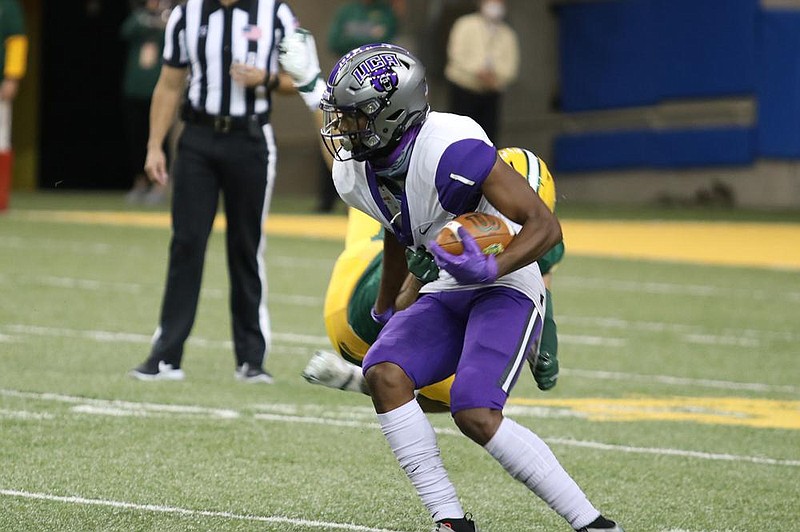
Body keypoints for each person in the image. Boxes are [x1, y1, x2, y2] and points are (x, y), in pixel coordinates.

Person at [281, 39, 623, 531]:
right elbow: (397, 230)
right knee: (385, 372)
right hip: (446, 285)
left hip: (506, 282)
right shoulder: (355, 174)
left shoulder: (452, 146)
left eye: (354, 118)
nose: (343, 129)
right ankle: (450, 519)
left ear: (391, 115)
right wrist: (386, 307)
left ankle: (593, 523)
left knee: (474, 410)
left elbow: (544, 225)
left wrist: (493, 267)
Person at [129, 0, 326, 383]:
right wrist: (154, 145)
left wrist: (265, 79)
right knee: (186, 243)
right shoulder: (187, 14)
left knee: (246, 247)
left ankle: (251, 359)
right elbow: (169, 83)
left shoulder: (276, 14)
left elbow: (305, 79)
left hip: (250, 138)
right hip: (197, 139)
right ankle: (166, 354)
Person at [302, 147, 563, 409]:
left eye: (522, 221)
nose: (513, 225)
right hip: (360, 317)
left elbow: (541, 287)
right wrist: (417, 280)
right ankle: (365, 381)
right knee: (467, 395)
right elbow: (391, 315)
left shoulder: (540, 235)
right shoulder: (446, 206)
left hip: (371, 305)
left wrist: (546, 339)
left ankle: (360, 381)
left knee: (474, 391)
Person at [314, 0, 400, 213]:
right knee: (338, 133)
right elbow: (334, 41)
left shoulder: (385, 12)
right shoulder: (348, 11)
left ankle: (374, 197)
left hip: (374, 87)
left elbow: (385, 42)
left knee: (373, 137)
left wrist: (355, 41)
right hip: (346, 81)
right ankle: (330, 198)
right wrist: (366, 39)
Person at [444, 0, 519, 144]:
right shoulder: (465, 24)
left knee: (488, 139)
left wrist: (495, 77)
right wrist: (478, 71)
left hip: (491, 94)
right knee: (459, 137)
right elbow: (456, 54)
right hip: (464, 91)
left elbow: (511, 68)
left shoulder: (508, 34)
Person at [120, 0, 171, 205]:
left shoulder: (169, 16)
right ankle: (139, 182)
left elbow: (170, 35)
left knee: (160, 137)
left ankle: (160, 184)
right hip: (134, 88)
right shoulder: (138, 17)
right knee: (136, 137)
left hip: (157, 89)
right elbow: (126, 31)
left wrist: (158, 21)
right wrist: (148, 20)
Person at [0, 0, 27, 212]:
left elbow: (17, 41)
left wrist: (12, 76)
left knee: (1, 140)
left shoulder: (8, 5)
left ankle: (0, 199)